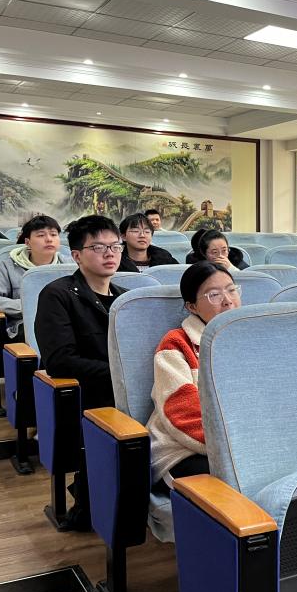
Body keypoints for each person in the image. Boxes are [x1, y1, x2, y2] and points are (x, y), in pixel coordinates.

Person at [34, 215, 126, 530]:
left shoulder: (126, 299)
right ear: (76, 255)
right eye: (98, 247)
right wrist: (120, 375)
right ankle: (97, 505)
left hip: (127, 390)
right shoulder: (57, 295)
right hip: (87, 393)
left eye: (115, 246)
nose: (110, 253)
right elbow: (60, 361)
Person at [148, 262, 242, 489]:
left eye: (231, 290)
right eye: (214, 295)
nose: (228, 300)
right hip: (181, 450)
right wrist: (235, 446)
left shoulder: (252, 338)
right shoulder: (176, 343)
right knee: (241, 478)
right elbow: (181, 410)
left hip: (240, 444)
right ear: (192, 306)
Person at [0, 214, 71, 340]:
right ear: (28, 242)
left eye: (53, 234)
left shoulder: (70, 265)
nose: (49, 239)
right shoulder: (7, 266)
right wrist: (30, 306)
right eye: (41, 235)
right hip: (27, 326)